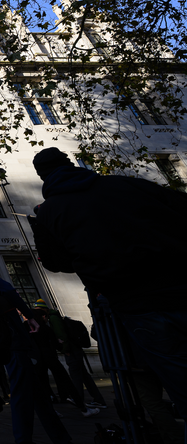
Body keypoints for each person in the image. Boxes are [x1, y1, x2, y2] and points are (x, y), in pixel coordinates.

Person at [30, 146, 187, 417]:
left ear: (42, 176)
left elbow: (57, 264)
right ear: (69, 163)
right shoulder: (128, 185)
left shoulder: (50, 212)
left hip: (138, 305)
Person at [0, 249, 76, 444]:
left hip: (7, 343)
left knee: (39, 397)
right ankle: (23, 439)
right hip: (13, 342)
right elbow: (10, 292)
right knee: (20, 395)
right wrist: (29, 316)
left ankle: (61, 437)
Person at [33, 299, 106, 411]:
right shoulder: (53, 317)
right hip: (74, 349)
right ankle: (98, 400)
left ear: (44, 310)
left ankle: (78, 399)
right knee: (84, 376)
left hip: (71, 350)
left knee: (75, 375)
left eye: (39, 310)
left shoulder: (53, 319)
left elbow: (61, 335)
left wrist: (64, 349)